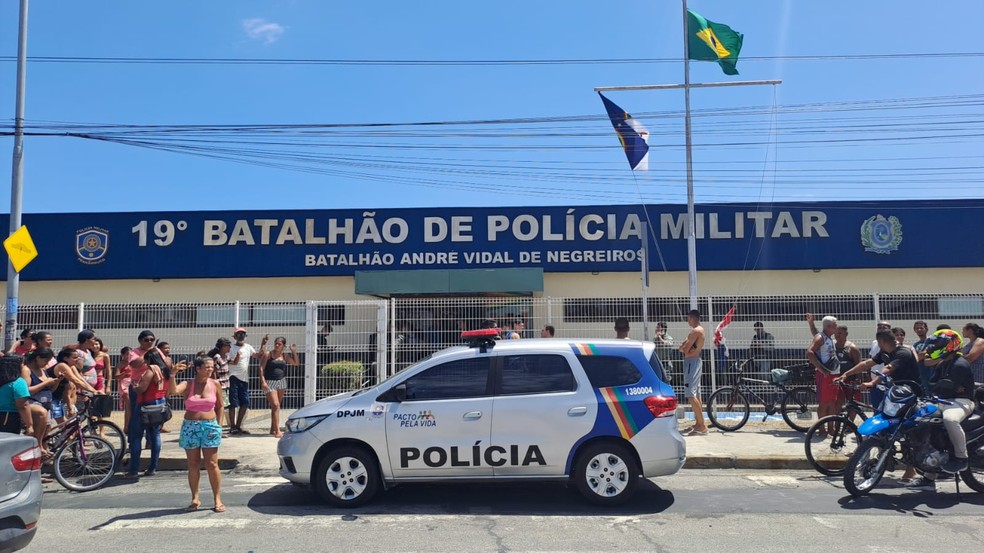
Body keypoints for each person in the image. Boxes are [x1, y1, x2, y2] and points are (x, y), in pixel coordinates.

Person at [905, 329, 977, 491]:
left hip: (961, 401)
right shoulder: (943, 363)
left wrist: (945, 387)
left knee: (950, 419)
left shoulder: (960, 364)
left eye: (938, 344)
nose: (933, 347)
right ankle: (929, 476)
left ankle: (961, 457)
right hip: (941, 400)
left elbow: (946, 387)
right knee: (923, 423)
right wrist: (943, 386)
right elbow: (932, 384)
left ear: (951, 345)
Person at [170, 356, 225, 512]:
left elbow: (220, 406)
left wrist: (219, 426)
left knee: (212, 464)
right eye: (207, 367)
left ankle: (217, 498)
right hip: (190, 427)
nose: (210, 370)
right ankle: (195, 497)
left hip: (210, 426)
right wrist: (172, 374)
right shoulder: (188, 385)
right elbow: (173, 391)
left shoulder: (215, 384)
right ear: (198, 368)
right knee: (193, 464)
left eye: (212, 367)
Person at [836, 329, 921, 394]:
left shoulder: (903, 353)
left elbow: (888, 369)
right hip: (897, 391)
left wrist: (872, 383)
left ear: (881, 341)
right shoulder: (885, 352)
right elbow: (866, 364)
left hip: (912, 392)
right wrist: (846, 374)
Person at [129, 350, 170, 478]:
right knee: (155, 435)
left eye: (146, 361)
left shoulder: (150, 372)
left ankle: (134, 470)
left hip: (145, 405)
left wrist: (135, 386)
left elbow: (142, 389)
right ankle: (153, 467)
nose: (145, 363)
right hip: (160, 404)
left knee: (136, 437)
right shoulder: (165, 371)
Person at [259, 337, 299, 438]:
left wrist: (293, 352)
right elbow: (261, 368)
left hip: (281, 382)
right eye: (276, 343)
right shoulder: (268, 354)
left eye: (279, 344)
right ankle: (277, 431)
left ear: (283, 346)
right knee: (276, 405)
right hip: (270, 382)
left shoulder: (285, 355)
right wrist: (263, 382)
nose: (277, 345)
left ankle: (272, 428)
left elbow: (296, 363)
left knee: (276, 407)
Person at [807, 316, 841, 432]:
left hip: (834, 374)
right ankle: (822, 429)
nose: (837, 326)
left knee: (832, 403)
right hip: (825, 375)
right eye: (835, 324)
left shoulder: (828, 338)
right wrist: (821, 370)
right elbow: (810, 352)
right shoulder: (820, 338)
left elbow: (815, 332)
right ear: (829, 326)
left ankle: (830, 429)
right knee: (824, 403)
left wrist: (811, 324)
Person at [228, 328, 264, 435]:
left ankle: (238, 426)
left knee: (245, 402)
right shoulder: (231, 348)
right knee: (233, 404)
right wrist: (236, 358)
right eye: (238, 335)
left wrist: (263, 343)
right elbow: (229, 361)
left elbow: (258, 356)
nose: (241, 337)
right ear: (234, 337)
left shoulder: (248, 347)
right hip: (233, 377)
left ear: (245, 336)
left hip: (244, 379)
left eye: (243, 335)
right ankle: (232, 427)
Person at [22, 348, 58, 457]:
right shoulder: (26, 370)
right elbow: (27, 390)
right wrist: (46, 382)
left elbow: (51, 390)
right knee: (40, 419)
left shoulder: (43, 370)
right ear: (38, 358)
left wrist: (56, 382)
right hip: (33, 403)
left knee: (46, 430)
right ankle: (37, 446)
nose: (46, 364)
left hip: (46, 403)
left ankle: (41, 452)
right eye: (45, 361)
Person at [48, 346, 99, 423]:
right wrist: (93, 391)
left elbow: (80, 379)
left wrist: (94, 390)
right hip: (50, 396)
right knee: (62, 423)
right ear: (65, 358)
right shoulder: (62, 365)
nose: (77, 359)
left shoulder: (71, 366)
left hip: (58, 396)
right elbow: (76, 381)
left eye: (78, 357)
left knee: (67, 424)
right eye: (74, 357)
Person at [678, 310, 708, 435]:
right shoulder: (698, 330)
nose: (687, 320)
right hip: (694, 361)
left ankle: (701, 425)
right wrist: (685, 347)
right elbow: (684, 347)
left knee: (690, 394)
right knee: (696, 394)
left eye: (688, 318)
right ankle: (699, 423)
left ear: (692, 318)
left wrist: (685, 346)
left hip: (692, 362)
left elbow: (684, 349)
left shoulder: (695, 331)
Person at [0, 356, 33, 439]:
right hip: (8, 417)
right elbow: (23, 405)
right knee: (8, 444)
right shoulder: (18, 382)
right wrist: (29, 425)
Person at [207, 338, 233, 432]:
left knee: (221, 407)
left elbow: (233, 362)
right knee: (219, 407)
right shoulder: (217, 357)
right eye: (228, 345)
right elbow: (214, 371)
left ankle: (217, 428)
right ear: (223, 347)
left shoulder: (226, 356)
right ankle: (217, 428)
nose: (230, 347)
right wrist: (215, 383)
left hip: (225, 385)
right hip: (219, 385)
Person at [114, 346, 133, 433]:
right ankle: (126, 427)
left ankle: (130, 425)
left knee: (132, 406)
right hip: (124, 384)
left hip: (133, 383)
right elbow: (116, 376)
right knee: (128, 406)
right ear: (122, 355)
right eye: (127, 354)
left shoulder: (134, 363)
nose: (129, 356)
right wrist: (124, 373)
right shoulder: (120, 364)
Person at [912, 320, 932, 391]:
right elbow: (916, 358)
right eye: (917, 328)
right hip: (922, 375)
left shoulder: (932, 341)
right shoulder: (915, 345)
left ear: (926, 329)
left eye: (921, 328)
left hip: (932, 374)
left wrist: (921, 355)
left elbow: (920, 356)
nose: (919, 330)